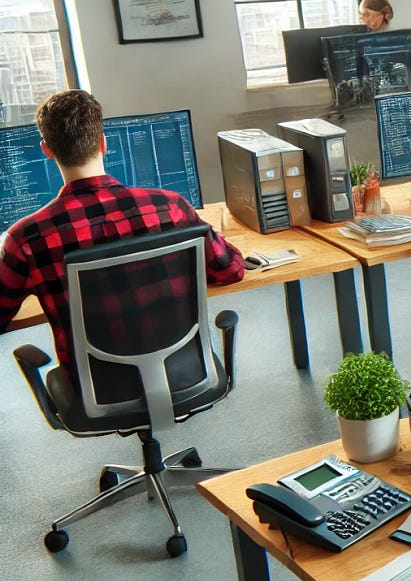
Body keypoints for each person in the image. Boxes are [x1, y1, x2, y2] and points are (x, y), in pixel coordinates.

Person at [0, 90, 243, 383]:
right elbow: (231, 269)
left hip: (98, 388)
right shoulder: (171, 206)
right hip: (183, 370)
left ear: (46, 150)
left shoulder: (25, 238)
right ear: (103, 144)